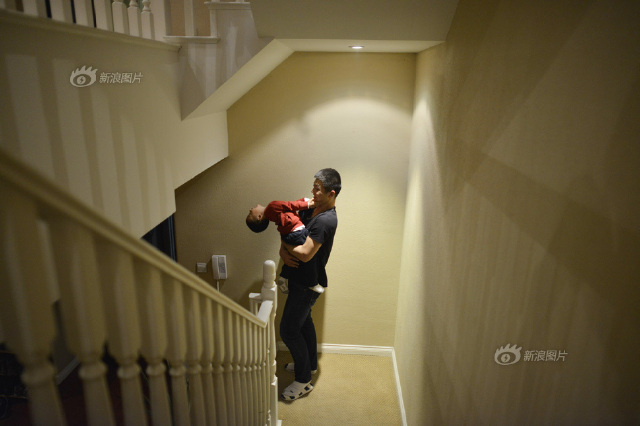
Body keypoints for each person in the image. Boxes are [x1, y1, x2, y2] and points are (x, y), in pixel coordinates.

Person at [278, 168, 340, 401]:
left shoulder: (325, 220)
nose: (313, 191)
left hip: (307, 283)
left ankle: (303, 381)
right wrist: (283, 252)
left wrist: (286, 247)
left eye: (318, 189)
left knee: (288, 330)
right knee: (304, 323)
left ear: (331, 194)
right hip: (299, 278)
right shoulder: (310, 208)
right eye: (313, 186)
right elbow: (287, 227)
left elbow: (305, 254)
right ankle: (310, 365)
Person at [246, 198, 318, 292]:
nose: (250, 209)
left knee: (293, 258)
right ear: (259, 216)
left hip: (288, 235)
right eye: (250, 214)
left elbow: (288, 207)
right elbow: (290, 205)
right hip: (297, 232)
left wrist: (303, 200)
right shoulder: (271, 207)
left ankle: (283, 277)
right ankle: (312, 283)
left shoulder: (271, 213)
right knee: (311, 257)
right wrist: (308, 204)